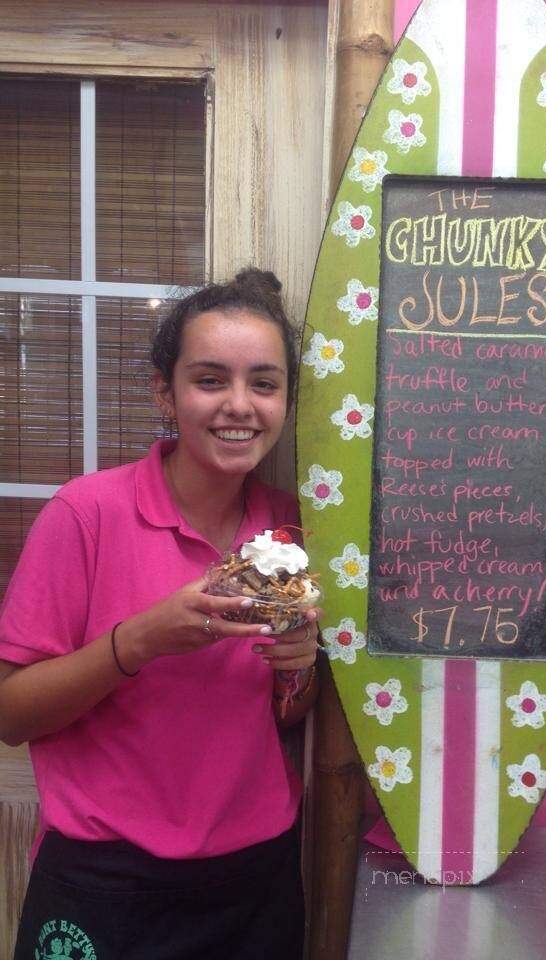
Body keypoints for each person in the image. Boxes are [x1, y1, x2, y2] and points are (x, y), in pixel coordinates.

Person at [0, 269, 320, 960]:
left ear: (286, 400)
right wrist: (139, 641)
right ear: (164, 392)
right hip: (104, 880)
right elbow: (11, 714)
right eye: (210, 380)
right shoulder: (86, 515)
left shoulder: (293, 530)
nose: (240, 405)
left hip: (253, 878)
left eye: (263, 384)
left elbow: (282, 718)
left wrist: (299, 671)